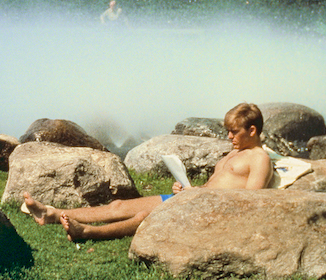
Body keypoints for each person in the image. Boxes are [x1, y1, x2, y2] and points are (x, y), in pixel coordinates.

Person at [22, 102, 274, 242]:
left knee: (142, 215)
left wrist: (199, 195)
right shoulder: (234, 153)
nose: (229, 137)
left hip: (209, 210)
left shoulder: (259, 158)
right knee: (119, 205)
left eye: (235, 132)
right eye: (228, 131)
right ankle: (52, 213)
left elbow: (251, 200)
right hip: (192, 199)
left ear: (252, 130)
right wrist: (187, 188)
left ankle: (87, 233)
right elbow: (216, 184)